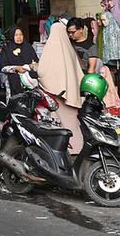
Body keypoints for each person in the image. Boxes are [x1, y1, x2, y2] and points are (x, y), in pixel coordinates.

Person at [38, 21, 85, 153]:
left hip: (57, 95)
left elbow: (42, 71)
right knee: (72, 123)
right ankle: (77, 147)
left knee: (59, 123)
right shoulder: (69, 48)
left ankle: (62, 149)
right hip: (71, 93)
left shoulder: (52, 47)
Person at [0, 26, 37, 95]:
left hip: (30, 83)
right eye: (16, 35)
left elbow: (35, 61)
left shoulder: (28, 47)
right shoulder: (6, 49)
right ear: (12, 36)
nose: (19, 37)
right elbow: (3, 68)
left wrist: (32, 65)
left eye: (21, 34)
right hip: (13, 82)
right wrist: (16, 68)